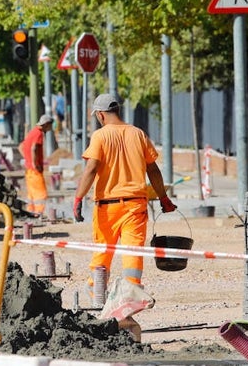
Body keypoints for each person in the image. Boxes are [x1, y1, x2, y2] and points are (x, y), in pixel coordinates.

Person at [73, 93, 177, 288]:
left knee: (103, 252)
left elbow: (91, 168)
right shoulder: (138, 134)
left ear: (101, 115)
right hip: (135, 206)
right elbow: (153, 169)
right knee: (133, 254)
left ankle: (97, 293)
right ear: (117, 110)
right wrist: (163, 198)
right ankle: (131, 296)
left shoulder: (100, 136)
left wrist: (78, 198)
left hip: (107, 207)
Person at [19, 113, 53, 214]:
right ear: (46, 124)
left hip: (29, 170)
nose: (50, 128)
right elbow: (34, 148)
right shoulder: (38, 133)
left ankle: (31, 212)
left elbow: (21, 147)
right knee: (40, 194)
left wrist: (28, 159)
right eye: (50, 126)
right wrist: (34, 164)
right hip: (34, 171)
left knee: (32, 194)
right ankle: (39, 213)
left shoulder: (32, 132)